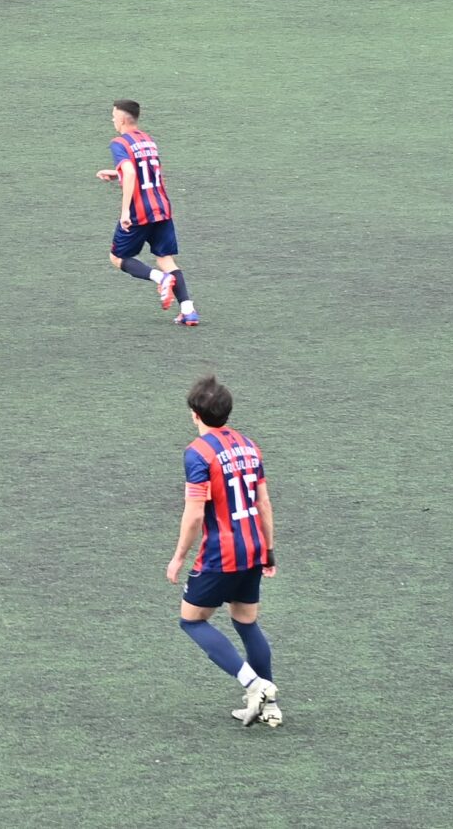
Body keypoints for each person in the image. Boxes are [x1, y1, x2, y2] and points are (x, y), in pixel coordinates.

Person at [166, 375, 281, 728]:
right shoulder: (250, 446)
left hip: (222, 553)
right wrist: (269, 550)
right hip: (254, 547)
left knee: (191, 619)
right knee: (246, 621)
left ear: (194, 414)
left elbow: (194, 514)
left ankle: (255, 685)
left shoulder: (197, 453)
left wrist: (179, 557)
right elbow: (263, 503)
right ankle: (270, 707)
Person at [101, 100, 197, 327]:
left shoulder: (119, 143)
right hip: (161, 207)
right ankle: (188, 310)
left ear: (122, 119)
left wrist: (125, 211)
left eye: (114, 115)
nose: (112, 119)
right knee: (166, 259)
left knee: (117, 257)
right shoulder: (148, 140)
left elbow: (131, 172)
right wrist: (117, 173)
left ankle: (160, 278)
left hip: (139, 211)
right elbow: (146, 169)